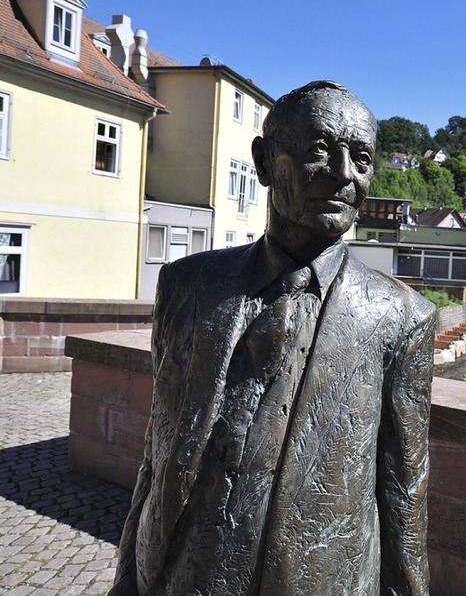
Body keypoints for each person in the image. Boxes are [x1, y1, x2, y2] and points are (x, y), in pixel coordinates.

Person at [109, 81, 435, 595]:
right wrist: (128, 576)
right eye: (319, 150)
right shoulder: (188, 288)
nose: (344, 175)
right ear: (263, 161)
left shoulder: (402, 319)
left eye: (363, 158)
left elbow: (404, 494)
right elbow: (159, 446)